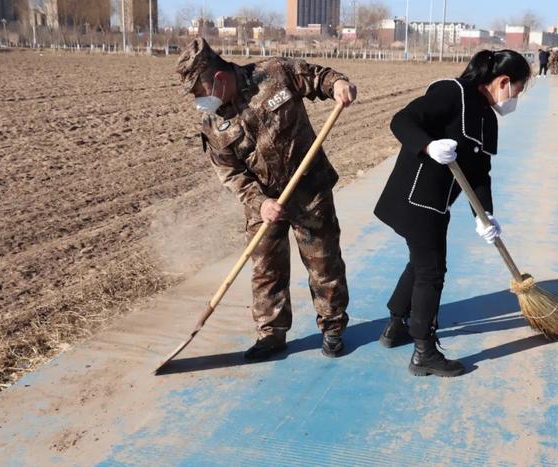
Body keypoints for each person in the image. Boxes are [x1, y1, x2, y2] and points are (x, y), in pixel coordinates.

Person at [175, 38, 357, 361]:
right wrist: (259, 202)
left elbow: (317, 77)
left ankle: (332, 328)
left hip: (308, 189)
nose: (198, 101)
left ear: (217, 79)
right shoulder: (212, 123)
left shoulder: (274, 73)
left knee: (323, 260)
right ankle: (271, 334)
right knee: (265, 270)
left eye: (198, 92)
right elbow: (231, 174)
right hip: (263, 201)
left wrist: (338, 84)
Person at [374, 49, 532, 377]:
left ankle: (395, 326)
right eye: (518, 89)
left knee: (421, 263)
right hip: (415, 198)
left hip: (436, 204)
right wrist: (428, 145)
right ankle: (424, 351)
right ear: (503, 82)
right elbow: (401, 120)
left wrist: (485, 215)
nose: (517, 97)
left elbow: (480, 172)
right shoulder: (452, 92)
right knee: (432, 270)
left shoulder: (487, 117)